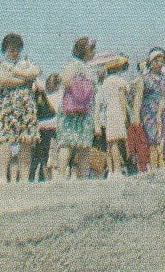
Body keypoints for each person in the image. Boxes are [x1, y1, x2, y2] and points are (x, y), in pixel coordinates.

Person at [0, 34, 41, 184]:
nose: (14, 52)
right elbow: (2, 81)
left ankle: (25, 178)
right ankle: (2, 177)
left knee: (26, 140)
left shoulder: (26, 62)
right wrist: (25, 79)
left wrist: (14, 73)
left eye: (17, 49)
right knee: (4, 140)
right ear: (5, 49)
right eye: (11, 49)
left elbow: (36, 72)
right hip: (5, 106)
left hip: (26, 107)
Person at [57, 37, 100, 180]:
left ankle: (83, 177)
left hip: (86, 110)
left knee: (85, 145)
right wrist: (80, 92)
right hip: (73, 109)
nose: (94, 52)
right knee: (67, 143)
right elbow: (66, 80)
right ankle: (61, 175)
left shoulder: (89, 67)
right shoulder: (74, 64)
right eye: (91, 49)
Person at [95, 54, 132, 178]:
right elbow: (123, 100)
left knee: (110, 143)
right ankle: (117, 169)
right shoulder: (120, 81)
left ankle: (111, 170)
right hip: (117, 112)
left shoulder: (105, 82)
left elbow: (100, 101)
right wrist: (126, 114)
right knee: (117, 141)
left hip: (108, 113)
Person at [134, 49, 165, 171]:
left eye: (161, 61)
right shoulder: (144, 78)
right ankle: (154, 168)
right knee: (153, 141)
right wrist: (136, 117)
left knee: (161, 140)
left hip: (163, 112)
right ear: (151, 62)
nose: (159, 64)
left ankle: (162, 166)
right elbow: (138, 98)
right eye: (156, 61)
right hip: (149, 113)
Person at [31, 73, 61, 181]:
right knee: (36, 155)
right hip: (41, 128)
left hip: (52, 129)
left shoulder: (59, 95)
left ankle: (43, 177)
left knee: (47, 155)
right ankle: (32, 176)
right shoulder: (41, 94)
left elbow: (54, 111)